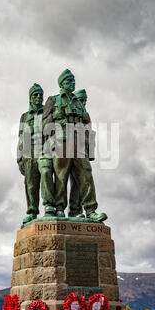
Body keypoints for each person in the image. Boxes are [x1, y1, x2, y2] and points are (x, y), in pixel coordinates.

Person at [42, 69, 107, 222]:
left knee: (86, 174)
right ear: (61, 83)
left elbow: (87, 125)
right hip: (61, 142)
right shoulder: (53, 100)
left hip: (78, 144)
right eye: (69, 81)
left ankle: (90, 210)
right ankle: (59, 208)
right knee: (60, 176)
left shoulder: (79, 103)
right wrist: (56, 123)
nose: (72, 83)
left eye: (73, 81)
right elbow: (45, 125)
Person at [17, 84, 55, 226]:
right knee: (31, 183)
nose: (38, 97)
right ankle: (32, 211)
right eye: (35, 95)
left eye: (40, 95)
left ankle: (49, 206)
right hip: (28, 152)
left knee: (46, 172)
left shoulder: (47, 113)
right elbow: (20, 138)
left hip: (44, 149)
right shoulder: (24, 117)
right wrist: (19, 158)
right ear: (30, 98)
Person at [68, 88, 95, 218]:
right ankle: (73, 210)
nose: (83, 102)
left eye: (85, 100)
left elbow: (89, 133)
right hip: (67, 150)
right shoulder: (72, 112)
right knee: (70, 182)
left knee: (80, 181)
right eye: (81, 100)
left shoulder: (86, 115)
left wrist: (90, 153)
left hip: (82, 150)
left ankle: (77, 210)